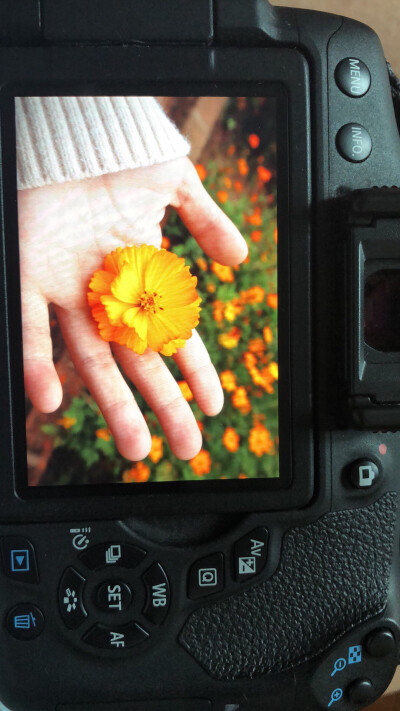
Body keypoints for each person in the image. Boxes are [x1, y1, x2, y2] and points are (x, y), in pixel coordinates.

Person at [16, 96, 248, 462]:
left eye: (152, 302)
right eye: (152, 299)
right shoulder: (129, 283)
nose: (151, 301)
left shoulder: (161, 313)